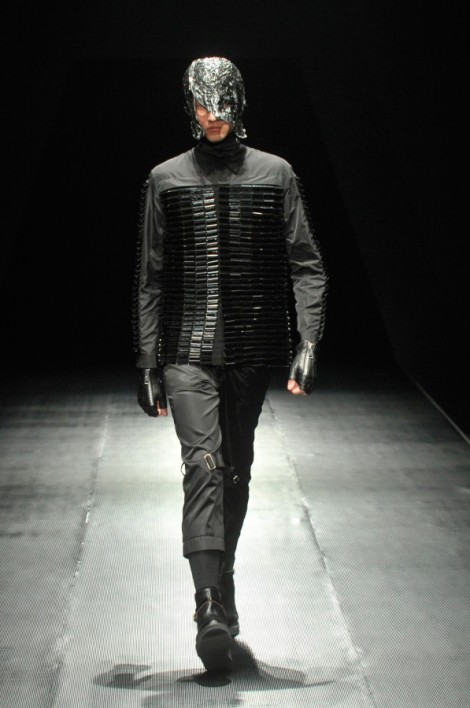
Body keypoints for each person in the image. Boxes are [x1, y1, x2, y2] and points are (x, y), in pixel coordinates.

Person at [133, 57, 327, 672]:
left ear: (238, 102)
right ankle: (208, 605)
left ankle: (226, 577)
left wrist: (309, 341)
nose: (211, 115)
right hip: (185, 353)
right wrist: (147, 360)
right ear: (188, 105)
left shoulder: (276, 174)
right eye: (201, 103)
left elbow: (306, 263)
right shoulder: (165, 179)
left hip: (251, 351)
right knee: (204, 465)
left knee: (235, 473)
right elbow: (150, 276)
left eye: (220, 104)